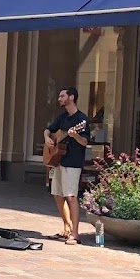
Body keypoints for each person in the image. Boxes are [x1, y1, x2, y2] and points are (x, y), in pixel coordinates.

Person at [44, 85, 90, 246]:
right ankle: (66, 227)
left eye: (62, 96)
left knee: (71, 196)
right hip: (58, 160)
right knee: (57, 194)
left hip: (72, 162)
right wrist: (47, 138)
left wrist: (75, 134)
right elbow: (48, 130)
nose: (59, 99)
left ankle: (75, 234)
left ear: (71, 97)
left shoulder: (81, 120)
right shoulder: (62, 117)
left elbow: (84, 142)